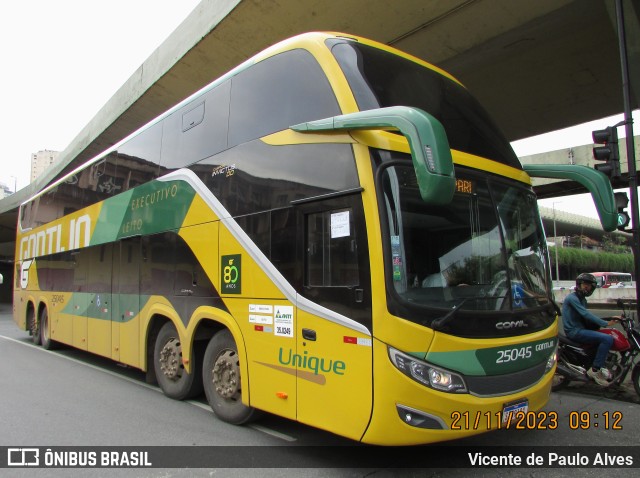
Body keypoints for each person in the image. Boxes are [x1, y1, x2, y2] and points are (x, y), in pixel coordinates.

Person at [561, 273, 618, 386]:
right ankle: (595, 370)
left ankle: (598, 364)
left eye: (590, 286)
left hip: (581, 329)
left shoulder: (582, 300)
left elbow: (587, 317)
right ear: (579, 285)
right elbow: (585, 314)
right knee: (607, 339)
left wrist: (612, 318)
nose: (587, 287)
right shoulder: (572, 298)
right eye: (585, 285)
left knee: (604, 335)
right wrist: (605, 323)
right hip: (574, 331)